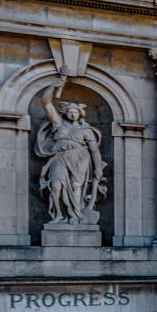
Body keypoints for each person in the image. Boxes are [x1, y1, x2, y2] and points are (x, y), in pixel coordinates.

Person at [34, 83, 105, 224]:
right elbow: (46, 102)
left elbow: (94, 150)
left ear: (80, 114)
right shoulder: (58, 123)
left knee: (76, 185)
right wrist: (53, 86)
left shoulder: (86, 130)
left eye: (75, 112)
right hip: (59, 157)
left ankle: (76, 215)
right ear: (65, 112)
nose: (73, 114)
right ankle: (59, 215)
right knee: (55, 186)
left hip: (80, 157)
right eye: (70, 111)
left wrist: (98, 168)